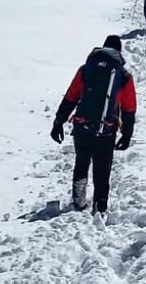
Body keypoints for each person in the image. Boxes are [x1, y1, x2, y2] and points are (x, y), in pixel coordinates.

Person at [50, 35, 136, 215]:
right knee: (102, 171)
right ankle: (100, 207)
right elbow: (129, 108)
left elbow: (71, 97)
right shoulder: (123, 76)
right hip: (106, 130)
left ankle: (79, 202)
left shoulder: (86, 69)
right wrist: (126, 134)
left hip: (82, 127)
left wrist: (58, 122)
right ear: (119, 52)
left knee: (81, 162)